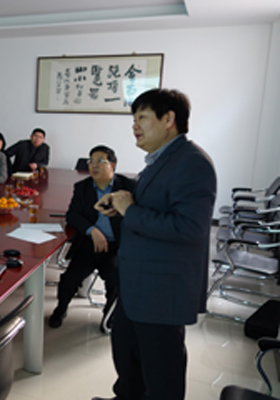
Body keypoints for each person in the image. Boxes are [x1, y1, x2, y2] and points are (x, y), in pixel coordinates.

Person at [92, 89, 216, 400]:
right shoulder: (162, 159)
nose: (134, 126)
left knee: (161, 374)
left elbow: (190, 228)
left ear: (168, 119)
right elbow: (154, 203)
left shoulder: (193, 163)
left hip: (162, 290)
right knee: (127, 356)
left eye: (142, 117)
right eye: (133, 119)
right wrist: (120, 203)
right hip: (138, 283)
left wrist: (131, 211)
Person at [49, 145, 135, 332]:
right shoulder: (82, 187)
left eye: (100, 161)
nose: (93, 165)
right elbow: (72, 215)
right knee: (69, 279)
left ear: (112, 165)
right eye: (91, 161)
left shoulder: (128, 187)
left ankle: (109, 316)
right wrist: (92, 230)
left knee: (116, 282)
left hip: (115, 248)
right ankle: (60, 309)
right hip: (89, 245)